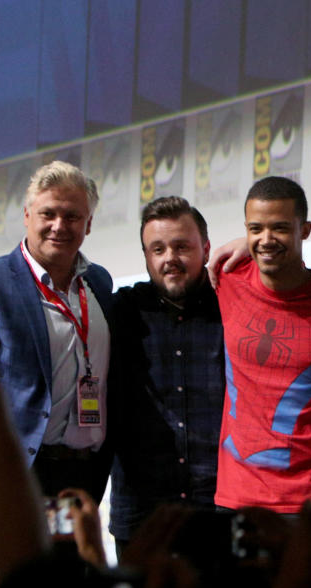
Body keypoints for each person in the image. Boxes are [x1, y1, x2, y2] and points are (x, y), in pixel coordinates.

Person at [0, 161, 114, 531]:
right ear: (27, 216)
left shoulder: (99, 283)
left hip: (73, 482)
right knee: (2, 586)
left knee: (57, 585)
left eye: (73, 216)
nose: (59, 226)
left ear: (89, 224)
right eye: (48, 213)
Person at [213, 177, 311, 513]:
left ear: (305, 230)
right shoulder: (226, 278)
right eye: (256, 228)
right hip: (233, 500)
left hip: (310, 503)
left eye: (280, 228)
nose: (266, 240)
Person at [109, 196, 225, 550]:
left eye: (181, 247)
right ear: (146, 256)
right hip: (143, 517)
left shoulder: (235, 306)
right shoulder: (120, 311)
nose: (169, 258)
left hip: (221, 510)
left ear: (205, 249)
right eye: (157, 249)